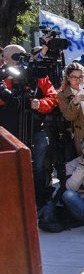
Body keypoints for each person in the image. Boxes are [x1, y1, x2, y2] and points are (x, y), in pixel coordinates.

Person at [0, 44, 58, 205]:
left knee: (37, 167)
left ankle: (38, 201)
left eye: (22, 56)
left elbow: (53, 97)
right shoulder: (2, 75)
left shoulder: (36, 73)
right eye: (12, 57)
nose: (20, 60)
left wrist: (40, 103)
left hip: (35, 129)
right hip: (8, 132)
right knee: (10, 168)